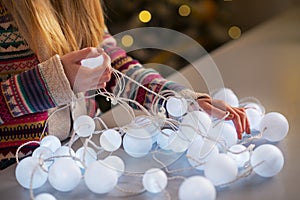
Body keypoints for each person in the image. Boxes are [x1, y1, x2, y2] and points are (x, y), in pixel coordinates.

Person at [0, 0, 249, 170]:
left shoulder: (77, 5)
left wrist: (178, 100)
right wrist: (53, 81)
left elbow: (117, 68)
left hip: (80, 160)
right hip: (15, 174)